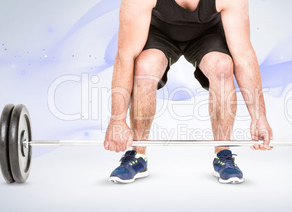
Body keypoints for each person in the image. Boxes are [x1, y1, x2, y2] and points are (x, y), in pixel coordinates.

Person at [104, 0, 273, 184]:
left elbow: (244, 55)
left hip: (207, 32)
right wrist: (117, 119)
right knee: (145, 67)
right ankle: (138, 155)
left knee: (223, 67)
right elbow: (125, 55)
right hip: (159, 32)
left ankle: (223, 154)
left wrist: (259, 118)